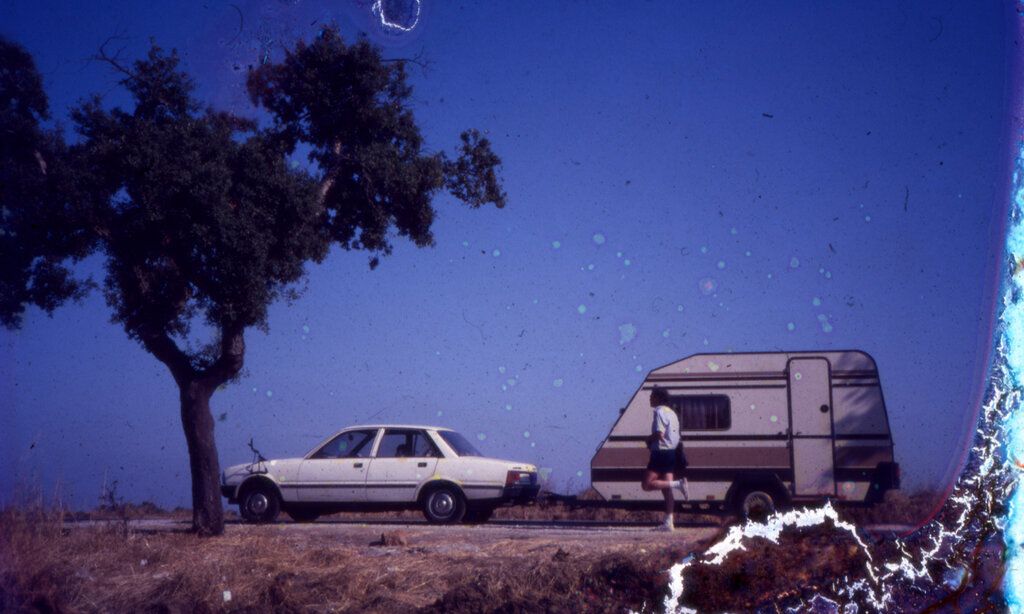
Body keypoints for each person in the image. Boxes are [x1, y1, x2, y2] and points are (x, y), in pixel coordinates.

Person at [641, 386, 688, 531]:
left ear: (658, 398)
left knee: (647, 485)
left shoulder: (659, 411)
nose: (649, 398)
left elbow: (659, 434)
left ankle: (679, 484)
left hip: (660, 452)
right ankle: (669, 523)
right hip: (671, 453)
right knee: (666, 488)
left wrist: (648, 439)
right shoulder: (672, 412)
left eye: (651, 396)